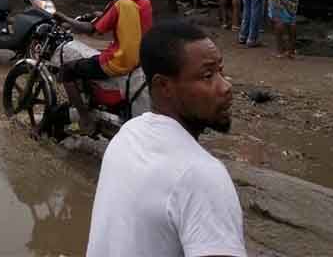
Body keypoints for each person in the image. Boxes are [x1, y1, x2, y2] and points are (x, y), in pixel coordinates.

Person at [86, 20, 246, 257]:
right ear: (164, 86)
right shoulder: (202, 175)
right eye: (207, 75)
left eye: (220, 71)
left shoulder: (129, 134)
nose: (225, 87)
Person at [55, 0, 152, 134]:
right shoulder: (145, 3)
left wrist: (64, 18)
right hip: (140, 60)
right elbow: (129, 21)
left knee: (67, 71)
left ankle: (84, 118)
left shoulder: (119, 5)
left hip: (118, 62)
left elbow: (91, 30)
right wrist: (101, 14)